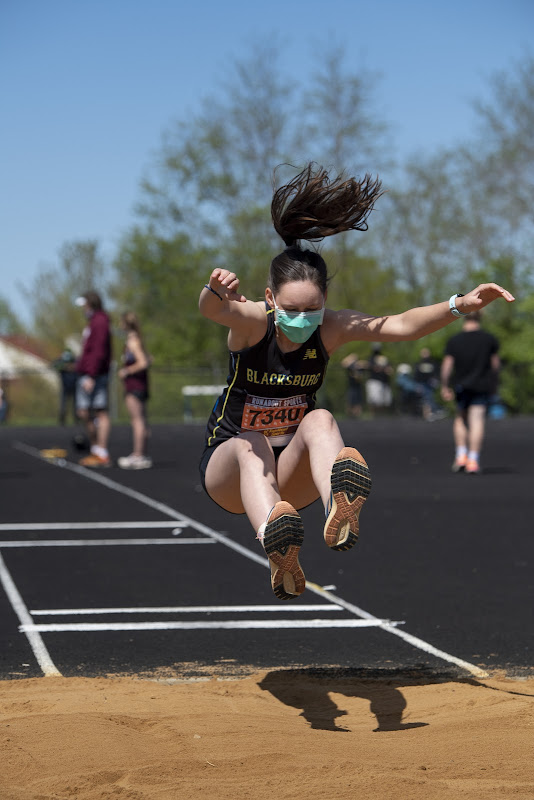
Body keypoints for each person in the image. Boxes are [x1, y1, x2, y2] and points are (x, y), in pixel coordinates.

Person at [198, 162, 514, 601]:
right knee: (252, 441)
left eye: (312, 310)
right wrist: (215, 289)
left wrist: (460, 304)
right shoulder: (254, 322)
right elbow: (214, 312)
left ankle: (336, 512)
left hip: (290, 472)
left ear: (325, 301)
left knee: (322, 418)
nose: (302, 320)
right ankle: (275, 536)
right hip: (231, 471)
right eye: (291, 309)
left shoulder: (332, 327)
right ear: (270, 299)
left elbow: (401, 325)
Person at [440, 311, 501, 474]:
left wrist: (445, 386)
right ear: (480, 317)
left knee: (460, 419)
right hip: (482, 385)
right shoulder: (489, 339)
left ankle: (461, 456)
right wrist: (495, 384)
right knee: (477, 420)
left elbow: (447, 366)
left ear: (464, 317)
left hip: (461, 385)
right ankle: (473, 460)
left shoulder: (454, 340)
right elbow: (495, 365)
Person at [74, 291, 112, 467]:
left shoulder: (100, 321)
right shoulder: (93, 322)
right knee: (84, 411)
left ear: (91, 304)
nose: (83, 308)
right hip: (88, 373)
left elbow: (99, 350)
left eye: (85, 305)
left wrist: (91, 374)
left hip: (94, 374)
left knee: (100, 411)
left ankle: (101, 451)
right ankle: (96, 449)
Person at [117, 312, 152, 470]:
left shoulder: (133, 341)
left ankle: (138, 455)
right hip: (138, 385)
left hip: (135, 386)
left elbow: (143, 362)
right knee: (140, 421)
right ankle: (139, 454)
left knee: (137, 420)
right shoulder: (136, 340)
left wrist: (127, 371)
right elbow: (148, 359)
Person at [413, 347, 445, 421]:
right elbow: (416, 374)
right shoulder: (419, 363)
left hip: (430, 383)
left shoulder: (433, 363)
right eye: (424, 353)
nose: (425, 354)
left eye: (426, 353)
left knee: (428, 397)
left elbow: (437, 372)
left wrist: (436, 380)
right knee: (426, 398)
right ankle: (431, 413)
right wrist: (417, 384)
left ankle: (434, 411)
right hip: (422, 383)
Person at [51, 347, 78, 426]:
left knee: (76, 405)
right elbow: (53, 365)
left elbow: (81, 365)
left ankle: (76, 420)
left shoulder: (75, 362)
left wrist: (73, 367)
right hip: (65, 387)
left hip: (75, 387)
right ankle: (62, 420)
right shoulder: (61, 363)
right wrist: (64, 366)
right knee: (63, 405)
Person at [365, 343, 393, 415]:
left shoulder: (383, 358)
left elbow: (389, 370)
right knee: (374, 400)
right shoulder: (371, 358)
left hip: (384, 381)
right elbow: (373, 368)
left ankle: (381, 416)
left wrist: (386, 369)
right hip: (374, 381)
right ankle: (373, 415)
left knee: (385, 401)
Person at [341, 353, 367, 417]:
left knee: (358, 401)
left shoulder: (359, 366)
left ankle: (357, 415)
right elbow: (343, 363)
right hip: (352, 386)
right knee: (350, 401)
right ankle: (350, 415)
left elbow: (367, 364)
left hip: (358, 386)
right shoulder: (350, 366)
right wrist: (351, 357)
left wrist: (358, 364)